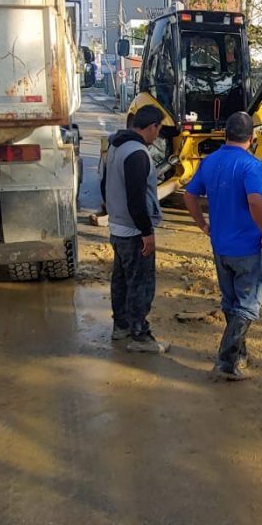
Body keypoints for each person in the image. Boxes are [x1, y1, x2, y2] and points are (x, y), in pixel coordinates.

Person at [183, 111, 262, 381]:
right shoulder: (251, 165)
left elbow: (189, 195)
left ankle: (240, 353)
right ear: (252, 136)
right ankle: (226, 361)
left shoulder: (210, 161)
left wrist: (202, 224)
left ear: (225, 134)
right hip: (247, 247)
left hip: (220, 245)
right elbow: (255, 201)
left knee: (231, 301)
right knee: (246, 306)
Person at [101, 106, 169, 353]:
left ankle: (121, 327)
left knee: (120, 280)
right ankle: (140, 336)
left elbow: (103, 184)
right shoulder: (138, 153)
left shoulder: (116, 146)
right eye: (158, 130)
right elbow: (137, 199)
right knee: (141, 283)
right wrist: (146, 232)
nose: (157, 136)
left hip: (117, 227)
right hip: (133, 231)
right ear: (152, 127)